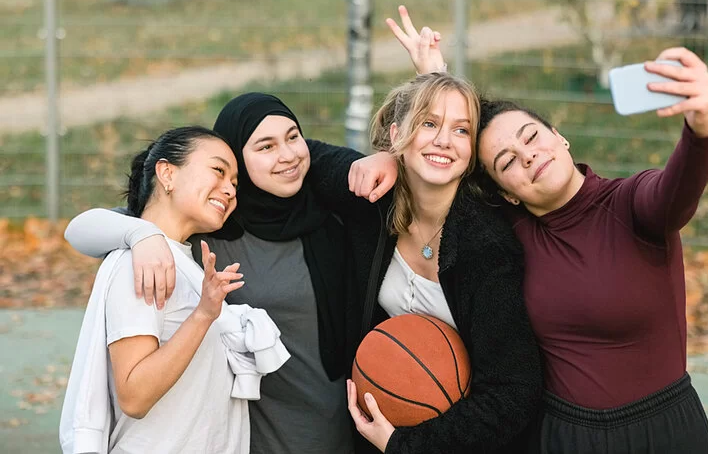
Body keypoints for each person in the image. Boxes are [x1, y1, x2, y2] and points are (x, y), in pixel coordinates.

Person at [359, 6, 708, 453]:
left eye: (530, 137)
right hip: (562, 436)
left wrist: (701, 126)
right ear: (505, 192)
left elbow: (677, 190)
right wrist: (394, 150)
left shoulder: (633, 205)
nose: (526, 156)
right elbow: (441, 166)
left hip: (662, 432)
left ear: (559, 136)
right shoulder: (506, 230)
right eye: (507, 161)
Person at [63, 95, 370, 454]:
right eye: (264, 146)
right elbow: (83, 228)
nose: (286, 154)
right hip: (246, 435)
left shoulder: (333, 218)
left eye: (293, 137)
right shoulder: (191, 239)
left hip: (323, 424)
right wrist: (139, 235)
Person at [304, 72, 542, 454]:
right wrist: (371, 160)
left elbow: (513, 393)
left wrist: (405, 445)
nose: (444, 141)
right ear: (398, 133)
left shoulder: (486, 247)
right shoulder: (374, 201)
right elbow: (298, 154)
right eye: (428, 124)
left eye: (461, 130)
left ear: (471, 151)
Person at [60, 126, 290, 454]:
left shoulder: (179, 261)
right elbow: (135, 395)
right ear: (167, 173)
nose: (229, 189)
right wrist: (203, 316)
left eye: (234, 183)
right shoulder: (143, 262)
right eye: (218, 170)